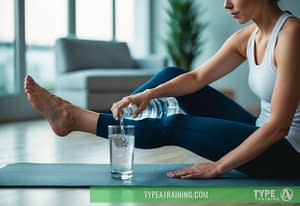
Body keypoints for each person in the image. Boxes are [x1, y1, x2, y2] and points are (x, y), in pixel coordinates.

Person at [24, 0, 300, 179]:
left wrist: (218, 167)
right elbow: (196, 77)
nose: (226, 4)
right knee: (170, 76)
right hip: (260, 128)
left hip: (288, 153)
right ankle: (119, 121)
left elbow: (279, 127)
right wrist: (147, 94)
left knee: (174, 125)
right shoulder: (248, 37)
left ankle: (74, 118)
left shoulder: (291, 36)